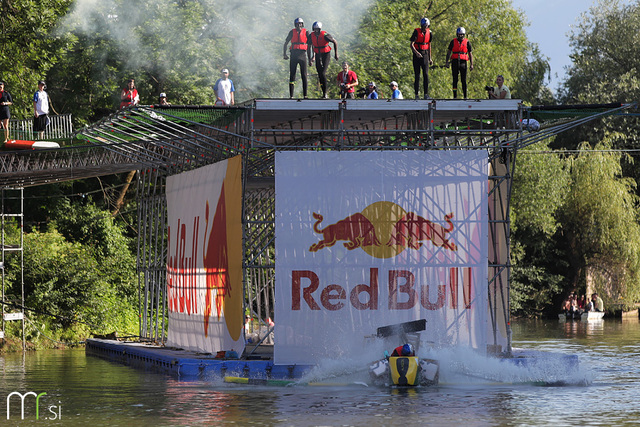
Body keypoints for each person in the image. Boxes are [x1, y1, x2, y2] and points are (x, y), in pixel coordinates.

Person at [283, 18, 312, 99]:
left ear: (302, 24)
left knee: (304, 75)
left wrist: (310, 59)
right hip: (293, 55)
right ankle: (291, 95)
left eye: (300, 24)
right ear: (295, 25)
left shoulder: (306, 32)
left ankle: (305, 95)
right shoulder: (292, 32)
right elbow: (286, 43)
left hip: (303, 55)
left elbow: (310, 46)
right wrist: (284, 54)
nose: (299, 25)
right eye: (297, 24)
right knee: (292, 75)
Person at [310, 21, 338, 99]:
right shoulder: (311, 36)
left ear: (320, 29)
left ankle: (325, 93)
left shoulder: (325, 35)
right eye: (315, 29)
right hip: (318, 54)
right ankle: (323, 93)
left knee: (322, 73)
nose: (316, 31)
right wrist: (312, 57)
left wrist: (336, 54)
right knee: (319, 74)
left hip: (326, 54)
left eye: (317, 30)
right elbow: (309, 45)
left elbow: (335, 42)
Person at [445, 27, 474, 99]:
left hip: (463, 62)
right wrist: (447, 62)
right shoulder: (453, 41)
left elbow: (470, 54)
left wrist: (471, 64)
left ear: (464, 35)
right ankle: (455, 96)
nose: (460, 36)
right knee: (455, 79)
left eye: (462, 35)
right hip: (455, 61)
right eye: (459, 35)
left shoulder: (467, 42)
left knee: (463, 80)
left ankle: (465, 96)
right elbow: (449, 52)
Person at [410, 17, 433, 99]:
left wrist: (430, 58)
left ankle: (426, 94)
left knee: (426, 74)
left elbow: (429, 46)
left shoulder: (429, 33)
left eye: (426, 26)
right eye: (423, 26)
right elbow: (411, 45)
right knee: (417, 75)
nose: (424, 27)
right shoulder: (416, 32)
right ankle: (416, 94)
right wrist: (416, 53)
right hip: (417, 55)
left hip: (425, 55)